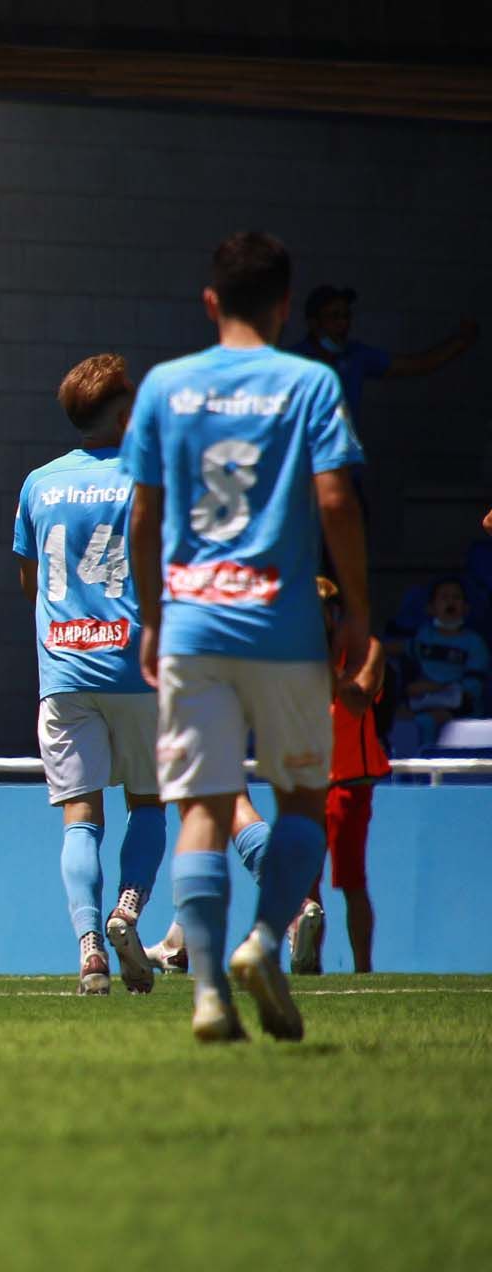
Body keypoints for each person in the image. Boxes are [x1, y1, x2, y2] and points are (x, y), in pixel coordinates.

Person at [124, 231, 368, 1043]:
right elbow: (335, 499)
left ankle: (203, 995)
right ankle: (264, 940)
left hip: (194, 624)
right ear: (286, 304)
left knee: (201, 804)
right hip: (286, 625)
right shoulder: (309, 381)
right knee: (299, 795)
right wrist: (360, 612)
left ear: (210, 301)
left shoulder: (166, 386)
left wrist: (154, 616)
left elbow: (146, 513)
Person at [12, 354, 166, 996]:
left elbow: (29, 583)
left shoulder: (38, 484)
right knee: (150, 803)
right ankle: (128, 912)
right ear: (126, 411)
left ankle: (89, 950)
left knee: (81, 815)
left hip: (65, 670)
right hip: (136, 668)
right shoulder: (146, 478)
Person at [293, 576, 389, 975]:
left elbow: (356, 702)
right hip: (306, 781)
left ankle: (363, 969)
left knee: (350, 882)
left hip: (351, 781)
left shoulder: (368, 651)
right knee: (305, 884)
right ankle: (308, 962)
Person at [290, 285, 477, 414]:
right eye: (334, 316)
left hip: (344, 464)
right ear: (314, 323)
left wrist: (461, 341)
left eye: (347, 316)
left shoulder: (356, 355)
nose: (343, 323)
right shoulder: (294, 362)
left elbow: (418, 364)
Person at [389, 576, 488, 749]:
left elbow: (473, 689)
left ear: (466, 608)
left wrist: (437, 690)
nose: (450, 602)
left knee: (426, 722)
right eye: (444, 597)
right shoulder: (424, 637)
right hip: (420, 705)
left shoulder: (474, 643)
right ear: (430, 608)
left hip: (461, 710)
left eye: (456, 598)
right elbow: (400, 649)